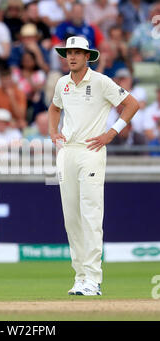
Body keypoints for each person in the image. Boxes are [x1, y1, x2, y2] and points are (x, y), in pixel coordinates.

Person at [48, 36, 139, 296]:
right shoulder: (62, 83)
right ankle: (80, 277)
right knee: (72, 220)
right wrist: (54, 133)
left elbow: (131, 104)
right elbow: (54, 109)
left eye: (78, 52)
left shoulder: (100, 82)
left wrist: (112, 133)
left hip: (92, 151)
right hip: (67, 153)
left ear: (88, 56)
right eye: (69, 53)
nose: (73, 57)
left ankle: (93, 279)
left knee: (90, 216)